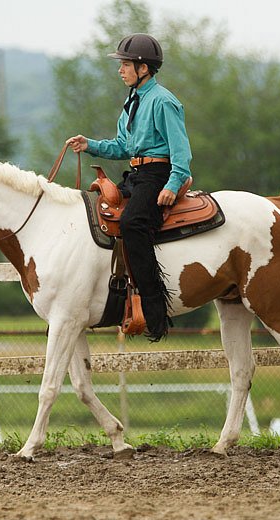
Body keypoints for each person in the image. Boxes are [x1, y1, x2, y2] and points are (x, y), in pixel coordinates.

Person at [66, 33, 193, 342]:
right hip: (136, 174)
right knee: (96, 213)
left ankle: (154, 312)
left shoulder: (164, 101)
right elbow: (124, 146)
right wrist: (90, 145)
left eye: (125, 64)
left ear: (143, 68)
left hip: (158, 175)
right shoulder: (132, 101)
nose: (120, 70)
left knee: (132, 223)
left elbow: (181, 152)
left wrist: (173, 184)